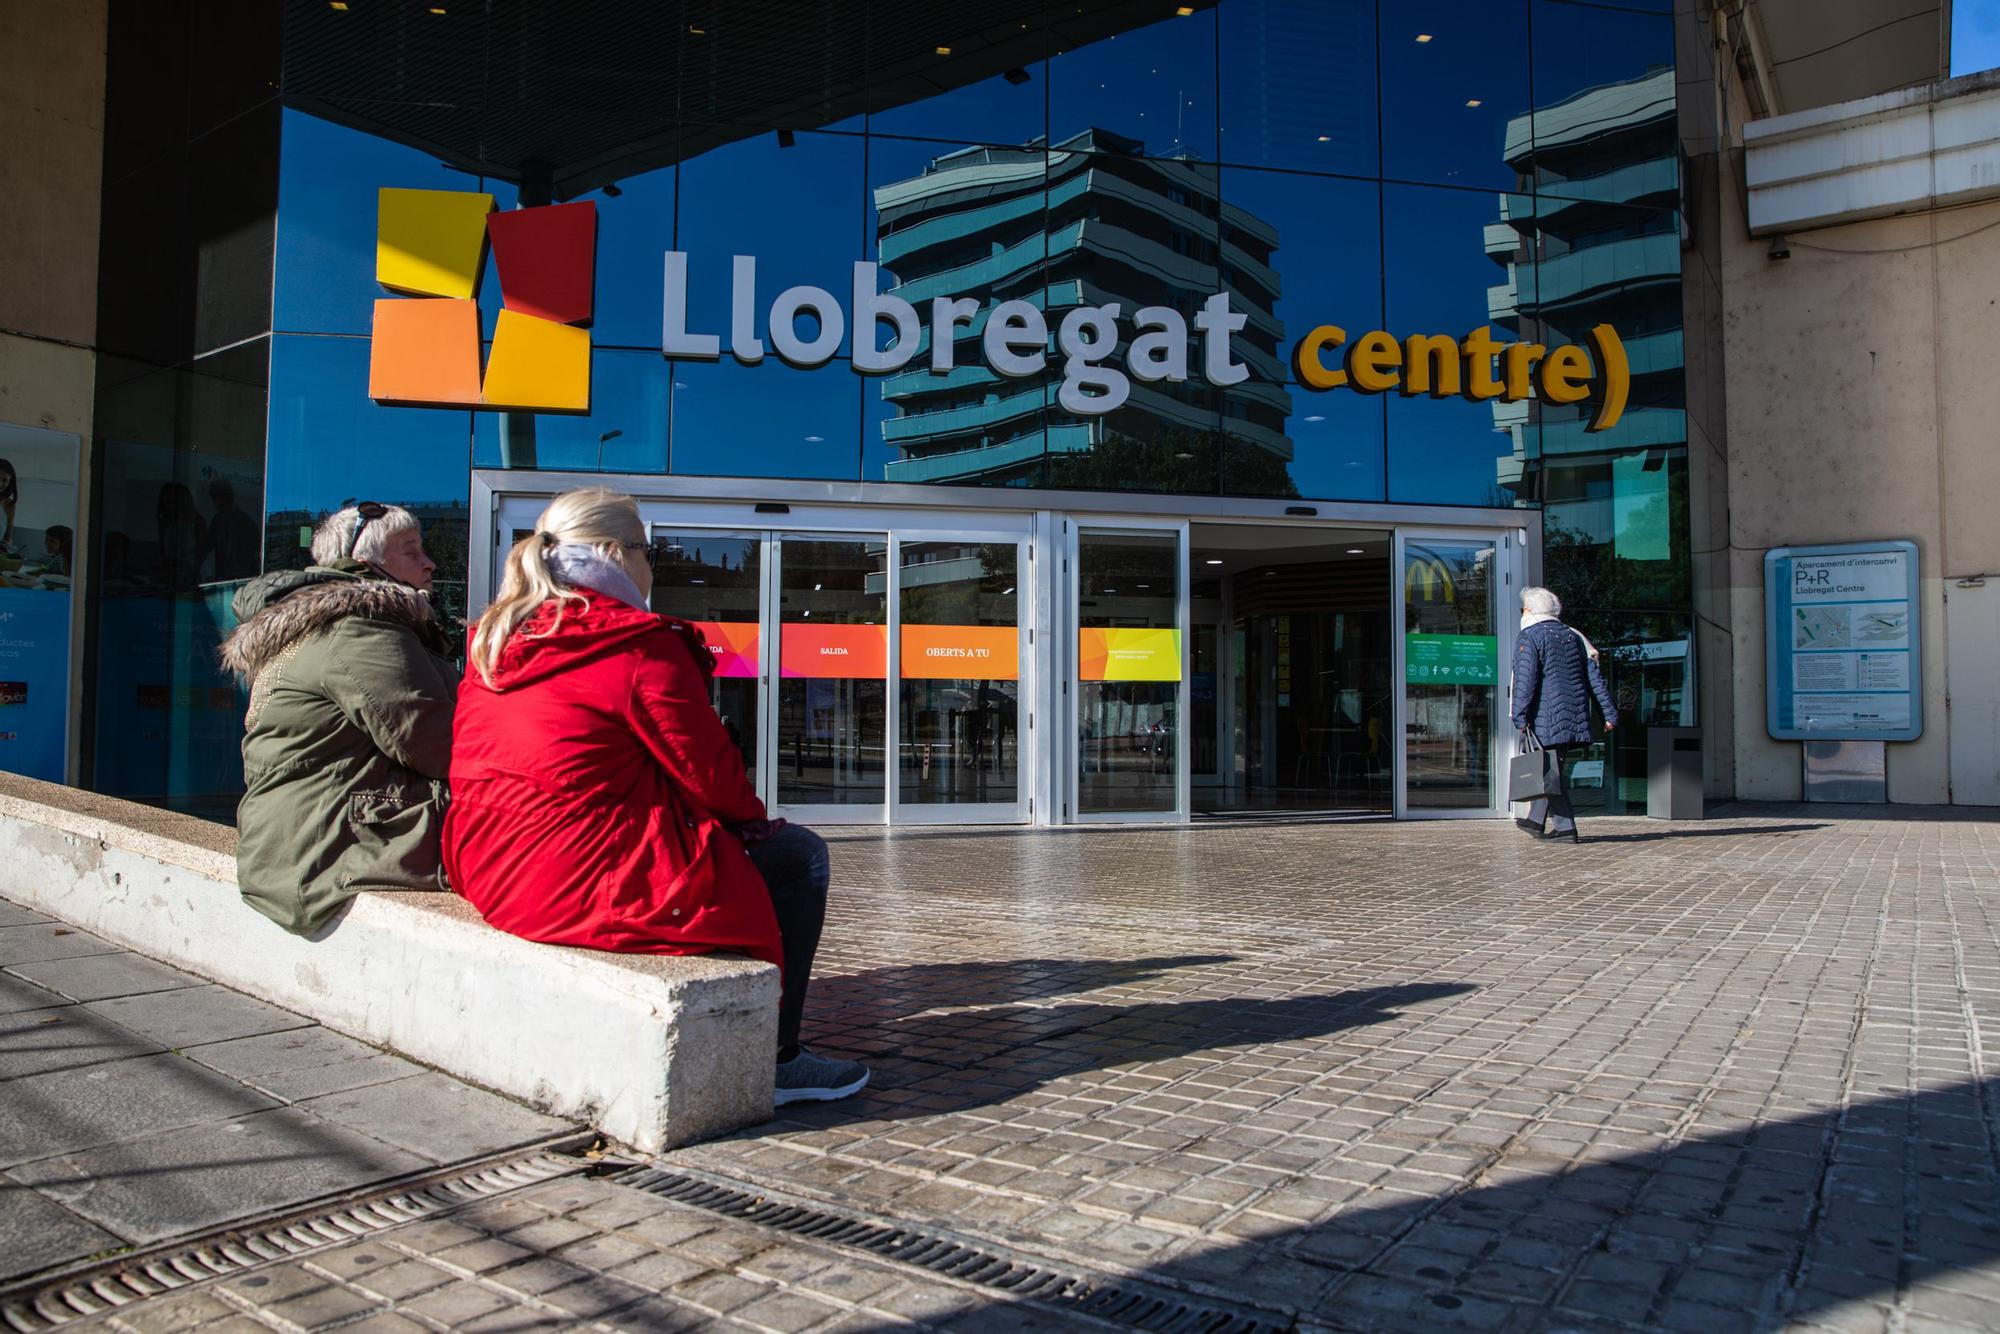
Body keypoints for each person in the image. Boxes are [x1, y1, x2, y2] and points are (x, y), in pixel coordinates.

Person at [444, 487, 868, 1105]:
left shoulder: (499, 640)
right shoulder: (635, 643)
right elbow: (715, 781)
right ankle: (776, 1060)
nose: (653, 565)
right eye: (650, 551)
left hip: (486, 867)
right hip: (573, 883)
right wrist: (753, 826)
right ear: (616, 553)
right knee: (798, 856)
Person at [219, 503, 457, 933]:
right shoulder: (359, 626)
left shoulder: (325, 622)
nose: (430, 563)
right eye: (412, 551)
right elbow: (437, 745)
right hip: (329, 848)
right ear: (368, 564)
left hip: (296, 840)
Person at [1511, 586, 1618, 843]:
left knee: (1551, 773)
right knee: (1552, 769)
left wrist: (1519, 715)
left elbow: (1525, 680)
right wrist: (1609, 712)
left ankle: (1566, 829)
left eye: (1523, 607)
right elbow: (1594, 677)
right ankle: (1535, 821)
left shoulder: (1530, 636)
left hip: (1546, 717)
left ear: (1530, 610)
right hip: (1574, 715)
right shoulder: (1572, 636)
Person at [200, 479, 263, 581]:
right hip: (224, 578)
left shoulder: (245, 522)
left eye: (216, 498)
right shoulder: (218, 520)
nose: (214, 503)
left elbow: (255, 553)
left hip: (242, 578)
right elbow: (207, 546)